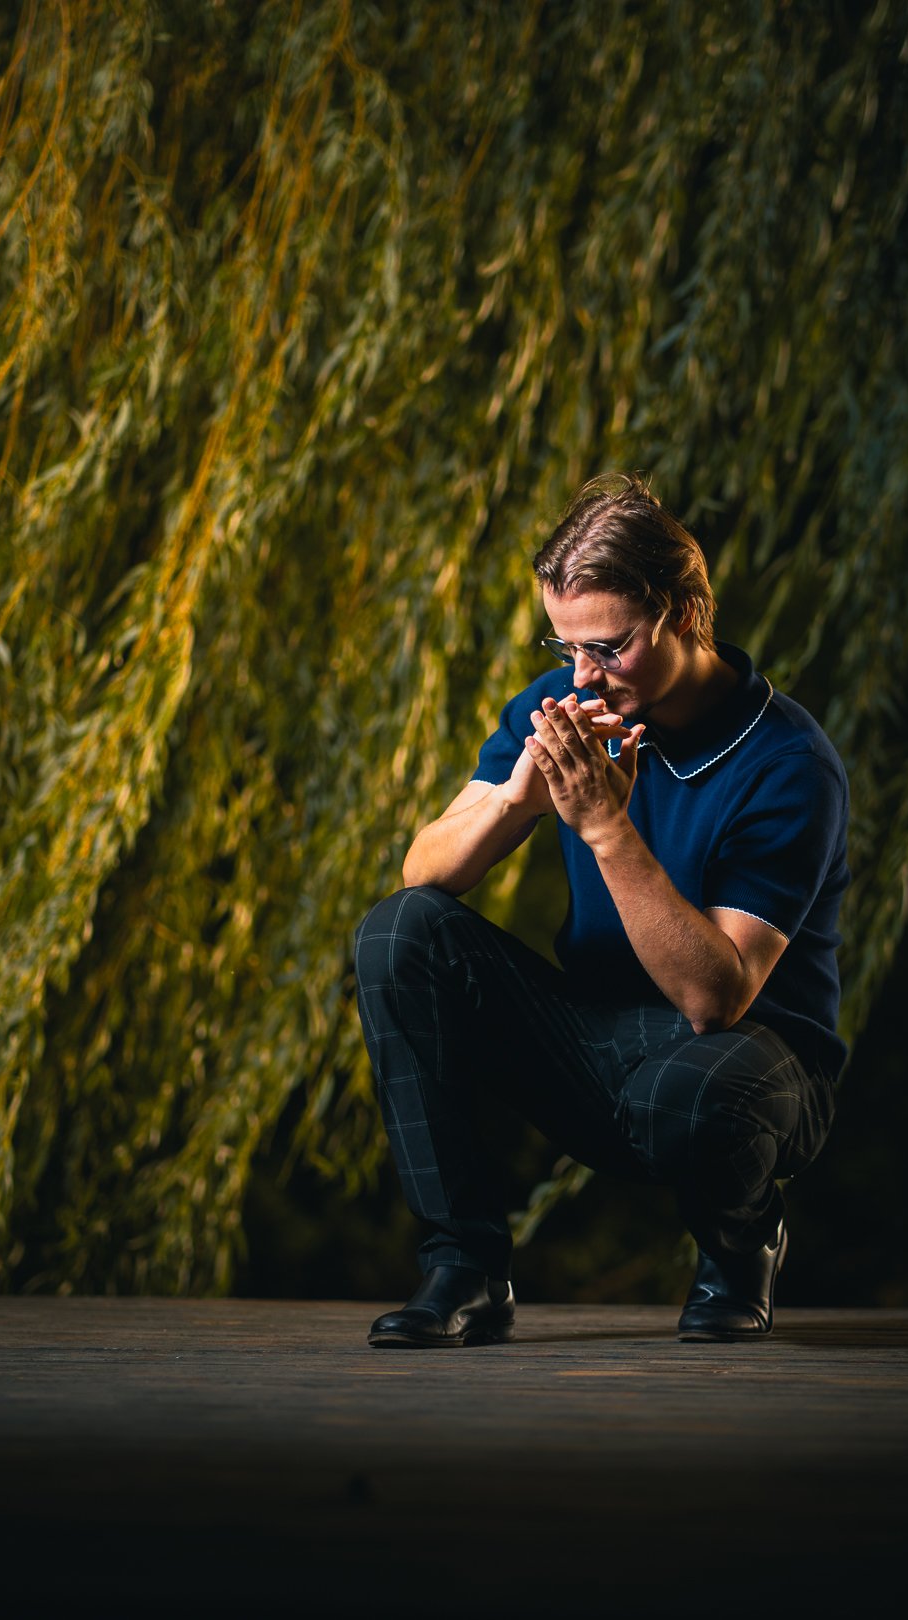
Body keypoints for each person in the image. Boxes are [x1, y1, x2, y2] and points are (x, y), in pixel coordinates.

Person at [355, 474, 848, 1346]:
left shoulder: (788, 764)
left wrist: (606, 829)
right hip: (595, 1038)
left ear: (684, 615)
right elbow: (422, 871)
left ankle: (740, 1250)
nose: (583, 673)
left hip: (747, 1065)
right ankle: (464, 1267)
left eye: (610, 647)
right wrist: (517, 798)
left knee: (691, 1090)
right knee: (400, 933)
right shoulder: (565, 703)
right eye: (566, 645)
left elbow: (716, 997)